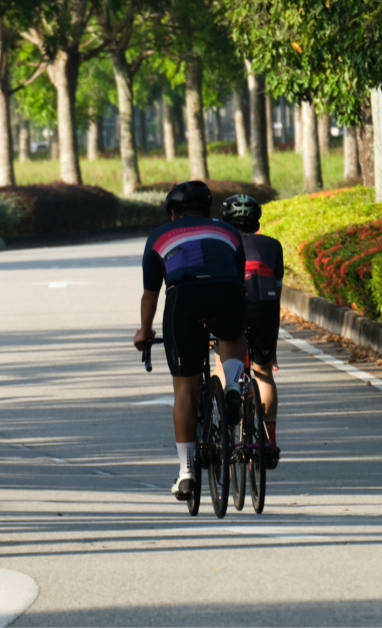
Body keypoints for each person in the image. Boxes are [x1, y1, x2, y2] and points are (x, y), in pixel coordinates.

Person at [133, 180, 248, 501]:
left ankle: (185, 474)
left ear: (173, 212)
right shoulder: (228, 232)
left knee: (184, 390)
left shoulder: (159, 236)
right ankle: (234, 386)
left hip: (184, 298)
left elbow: (150, 293)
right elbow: (236, 278)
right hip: (227, 292)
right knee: (233, 334)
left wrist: (144, 331)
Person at [220, 194, 283, 469]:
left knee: (222, 365)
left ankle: (225, 431)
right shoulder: (272, 245)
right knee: (263, 372)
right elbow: (277, 291)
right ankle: (268, 444)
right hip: (265, 310)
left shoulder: (222, 243)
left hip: (231, 307)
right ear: (256, 220)